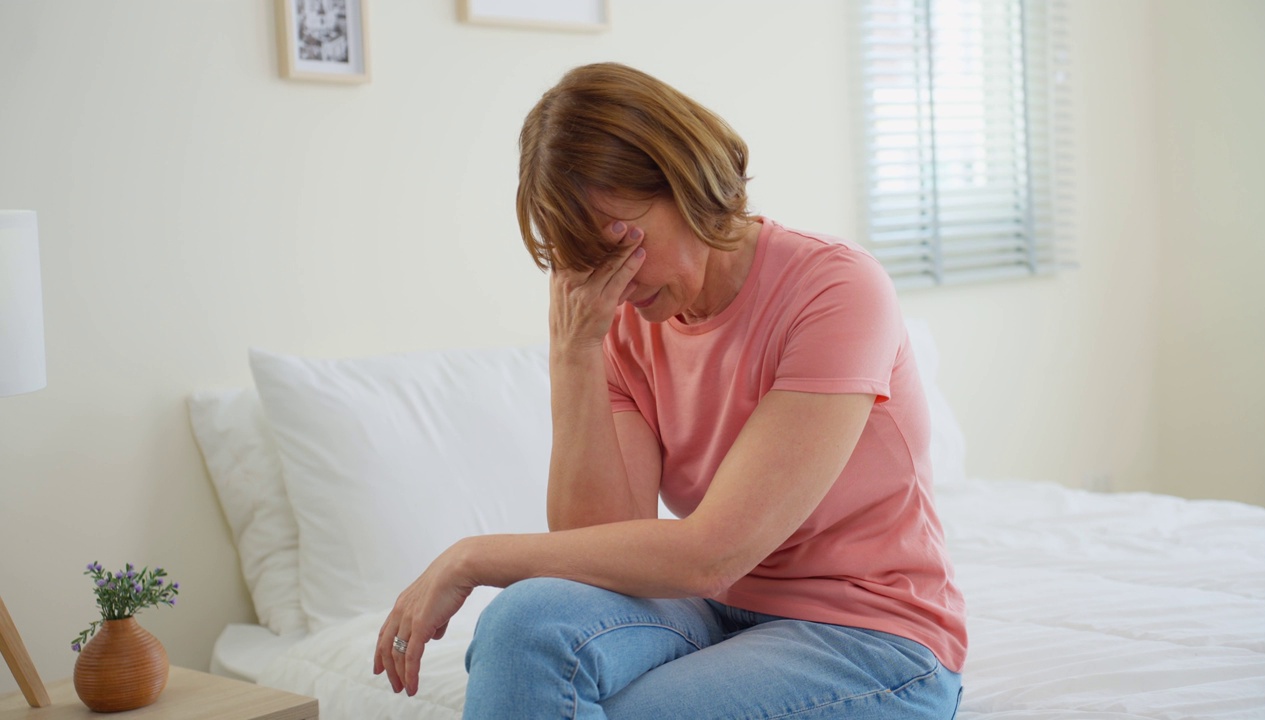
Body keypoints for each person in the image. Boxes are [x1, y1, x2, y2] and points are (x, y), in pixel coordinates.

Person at [374, 61, 967, 719]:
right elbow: (595, 549)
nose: (616, 283)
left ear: (685, 182)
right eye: (589, 261)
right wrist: (574, 355)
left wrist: (471, 557)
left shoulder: (836, 290)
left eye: (622, 243)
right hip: (713, 612)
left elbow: (714, 552)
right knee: (524, 622)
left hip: (869, 638)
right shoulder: (621, 323)